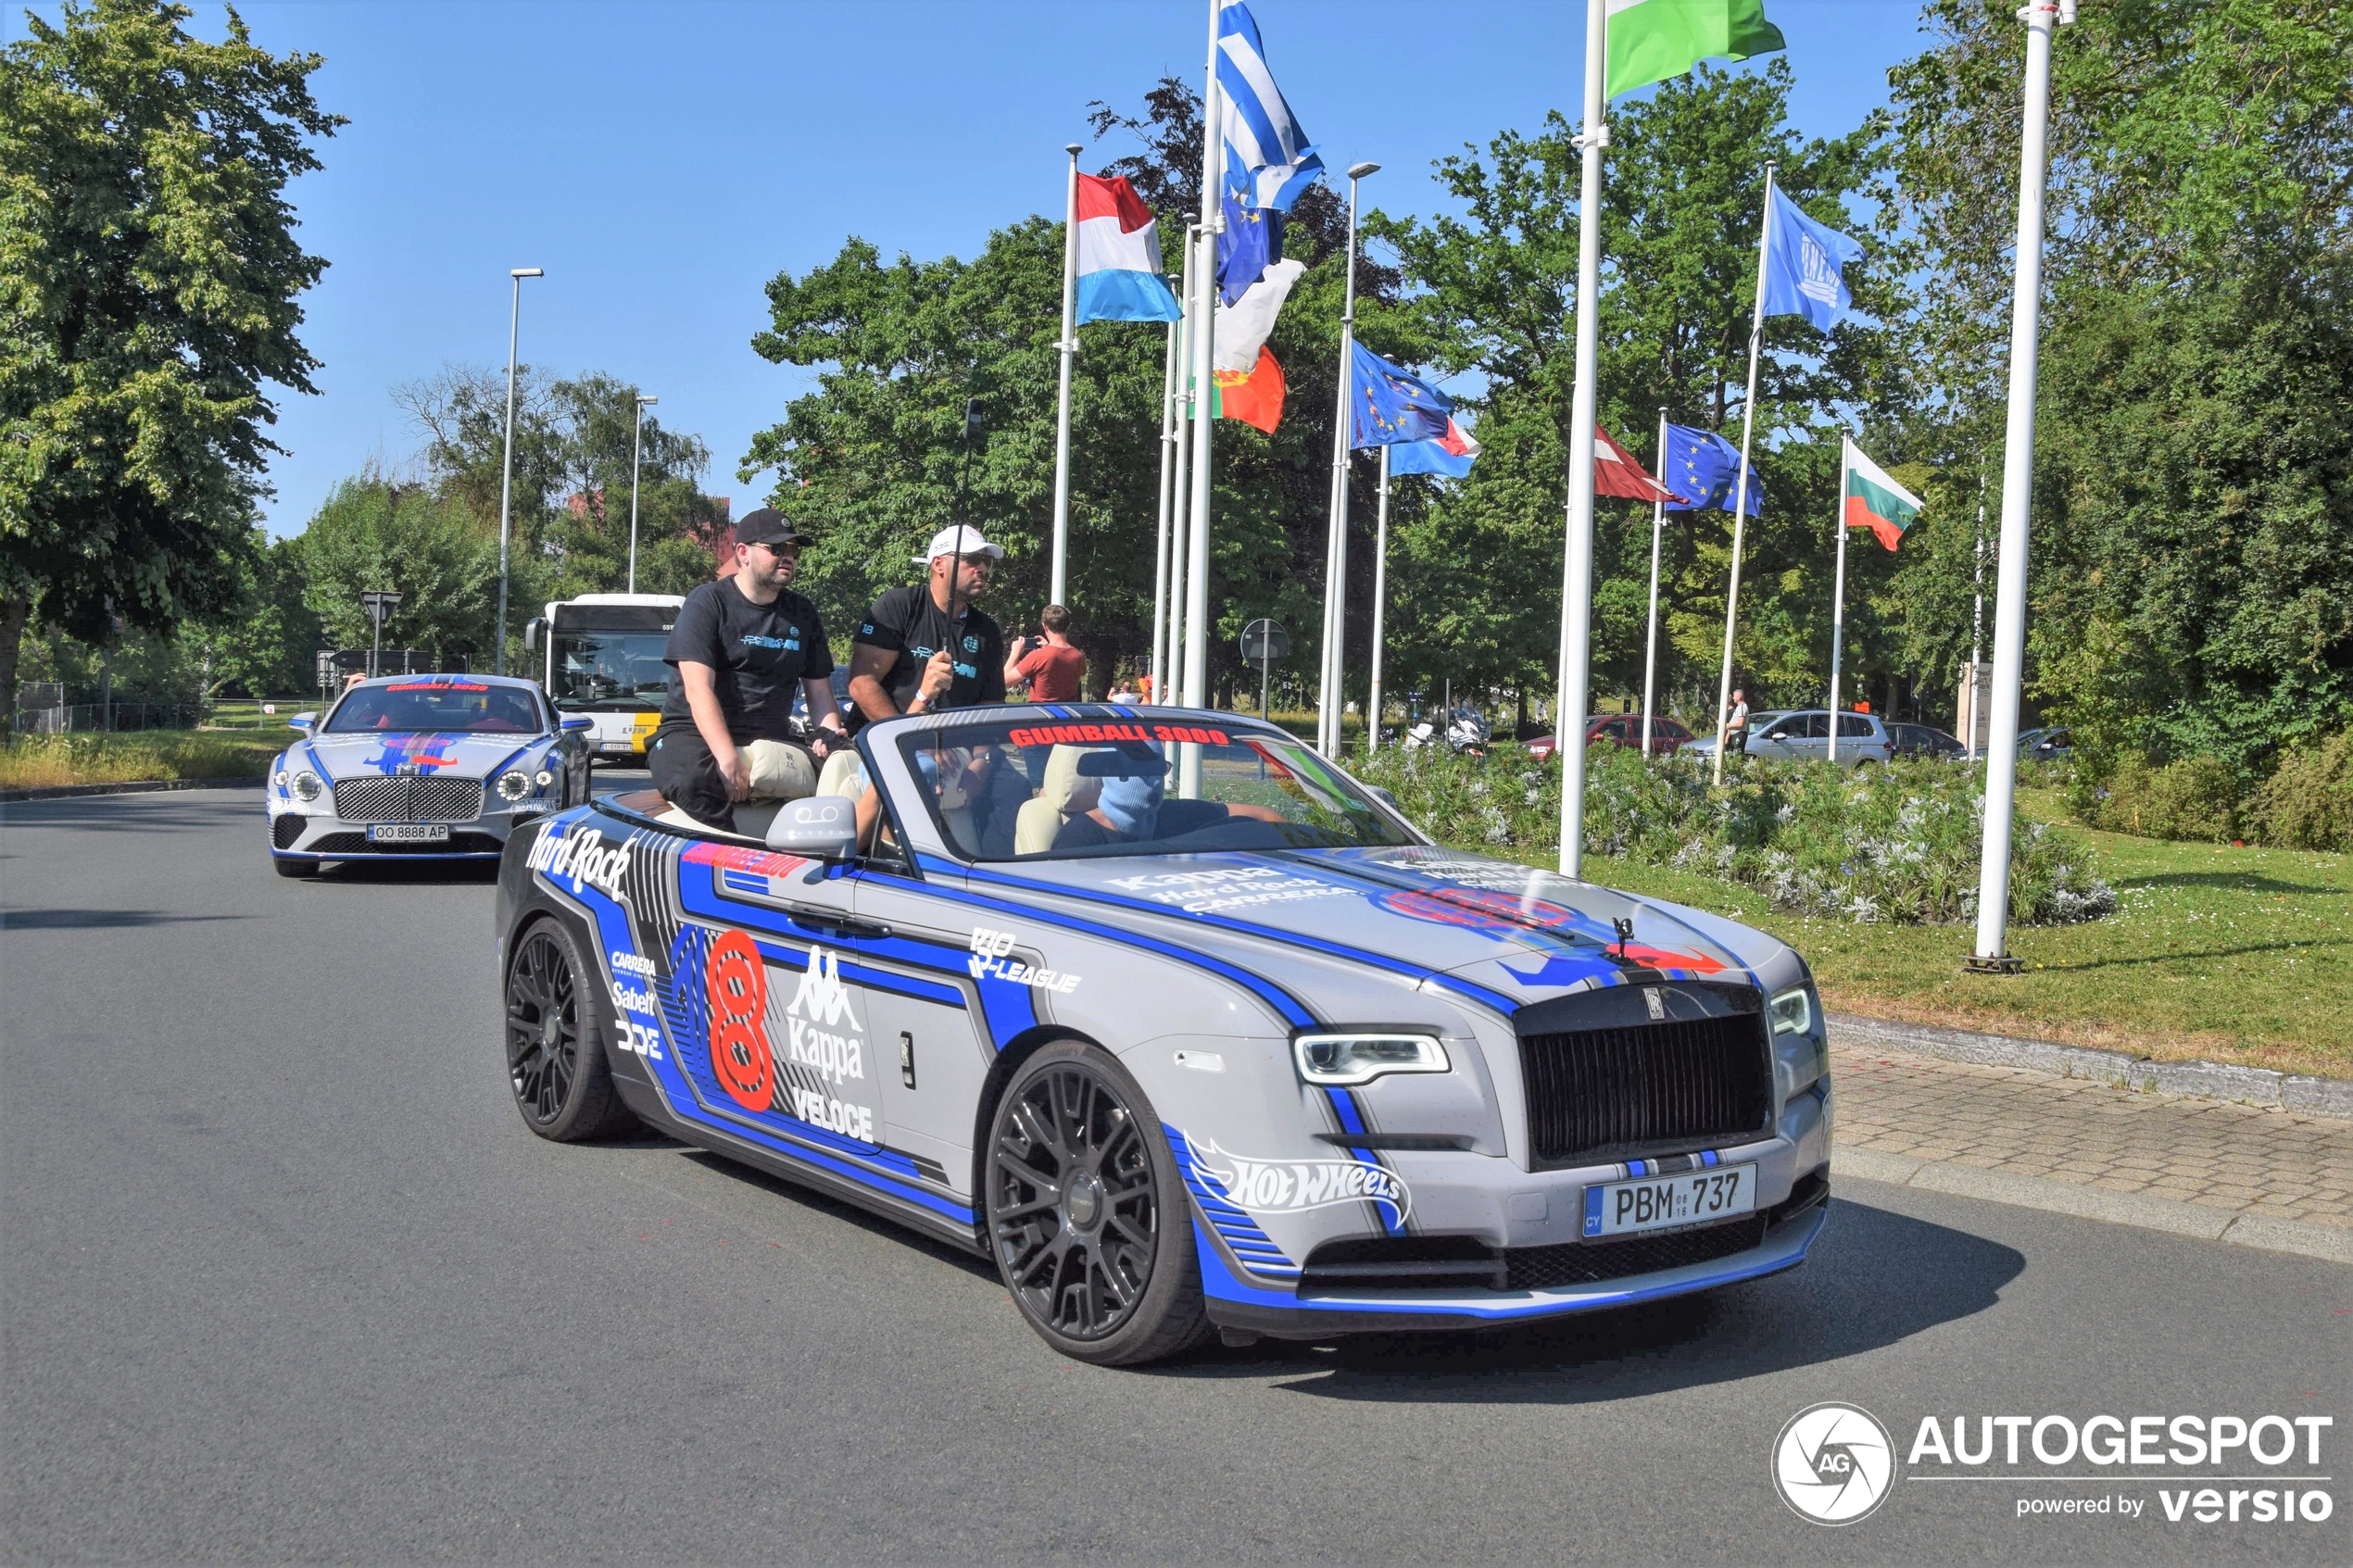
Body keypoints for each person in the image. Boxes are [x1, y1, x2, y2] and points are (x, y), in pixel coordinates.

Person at [648, 508, 844, 831]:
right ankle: (734, 861)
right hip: (692, 734)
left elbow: (820, 692)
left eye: (794, 550)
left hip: (770, 738)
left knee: (852, 775)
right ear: (743, 553)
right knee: (695, 780)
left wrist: (828, 733)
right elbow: (698, 690)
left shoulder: (803, 613)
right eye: (777, 549)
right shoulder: (707, 602)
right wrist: (728, 759)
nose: (789, 557)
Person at [847, 525, 1008, 724]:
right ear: (939, 564)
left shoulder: (987, 630)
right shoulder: (899, 605)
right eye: (973, 559)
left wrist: (977, 755)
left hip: (952, 748)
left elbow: (990, 703)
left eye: (987, 561)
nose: (982, 568)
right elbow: (862, 684)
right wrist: (901, 742)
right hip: (881, 744)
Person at [1003, 605, 1086, 703]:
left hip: (1041, 714)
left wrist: (1015, 652)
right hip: (1066, 714)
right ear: (1068, 625)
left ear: (1045, 626)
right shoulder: (1079, 657)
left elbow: (1004, 681)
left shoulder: (1038, 657)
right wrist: (1048, 648)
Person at [1725, 688, 1751, 758]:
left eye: (1734, 696)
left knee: (1738, 755)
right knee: (1733, 755)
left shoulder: (1742, 707)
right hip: (1736, 734)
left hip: (1740, 734)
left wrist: (1729, 726)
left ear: (1739, 697)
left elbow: (1740, 723)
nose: (1733, 698)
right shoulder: (1738, 707)